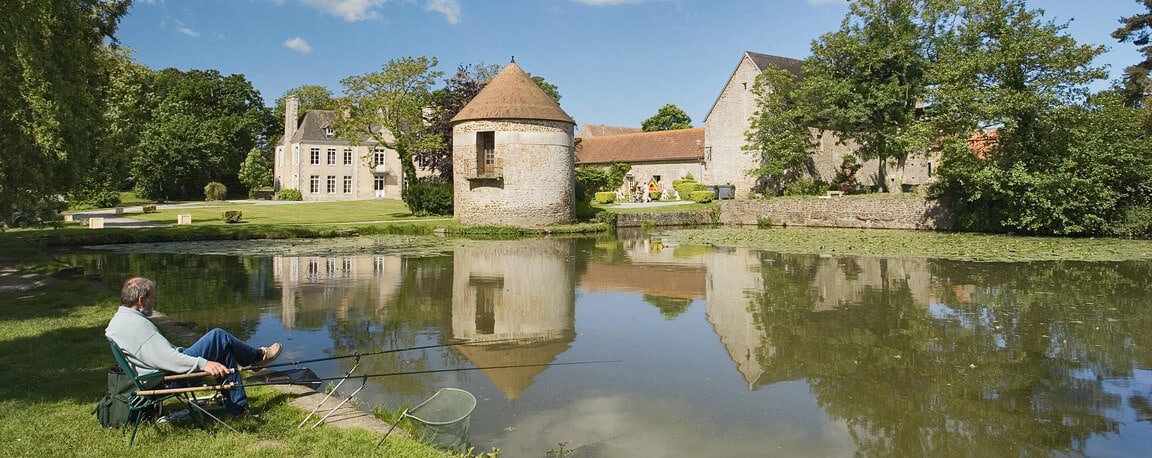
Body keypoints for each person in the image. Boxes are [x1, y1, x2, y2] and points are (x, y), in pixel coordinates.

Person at [105, 277, 281, 415]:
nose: (154, 301)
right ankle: (257, 357)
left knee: (224, 350)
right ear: (141, 300)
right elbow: (168, 359)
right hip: (169, 379)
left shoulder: (119, 320)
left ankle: (238, 408)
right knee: (218, 336)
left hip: (154, 376)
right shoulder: (138, 327)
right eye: (153, 297)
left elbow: (160, 356)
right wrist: (204, 364)